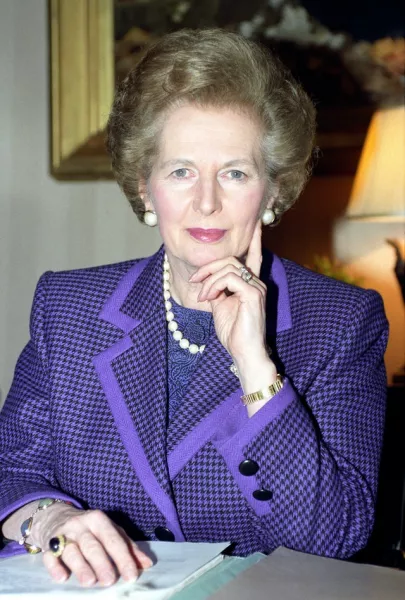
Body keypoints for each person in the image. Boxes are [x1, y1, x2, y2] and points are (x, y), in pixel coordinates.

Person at [0, 28, 388, 588]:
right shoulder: (68, 308)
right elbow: (11, 470)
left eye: (235, 172)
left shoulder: (339, 322)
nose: (207, 201)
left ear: (273, 193)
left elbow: (335, 537)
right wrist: (53, 520)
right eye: (181, 171)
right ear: (144, 187)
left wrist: (257, 370)